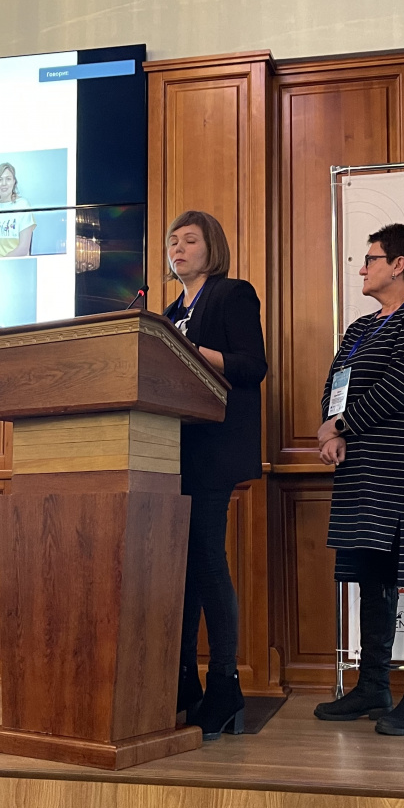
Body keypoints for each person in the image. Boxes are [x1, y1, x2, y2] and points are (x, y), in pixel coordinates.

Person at [313, 224, 404, 736]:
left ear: (398, 265)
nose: (361, 269)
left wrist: (342, 426)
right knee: (371, 570)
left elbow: (401, 386)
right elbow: (336, 385)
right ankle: (373, 685)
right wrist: (331, 430)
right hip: (360, 465)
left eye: (370, 259)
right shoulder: (359, 329)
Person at [162, 210, 267, 740]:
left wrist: (191, 351)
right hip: (170, 451)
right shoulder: (166, 313)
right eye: (172, 242)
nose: (178, 249)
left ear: (212, 249)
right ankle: (185, 682)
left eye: (189, 240)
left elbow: (253, 365)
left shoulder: (231, 294)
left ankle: (225, 683)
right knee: (180, 568)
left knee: (206, 559)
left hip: (215, 448)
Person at [0, 164, 35, 257]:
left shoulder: (23, 205)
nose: (4, 183)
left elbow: (23, 248)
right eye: (0, 179)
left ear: (14, 182)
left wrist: (3, 262)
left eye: (8, 179)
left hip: (14, 263)